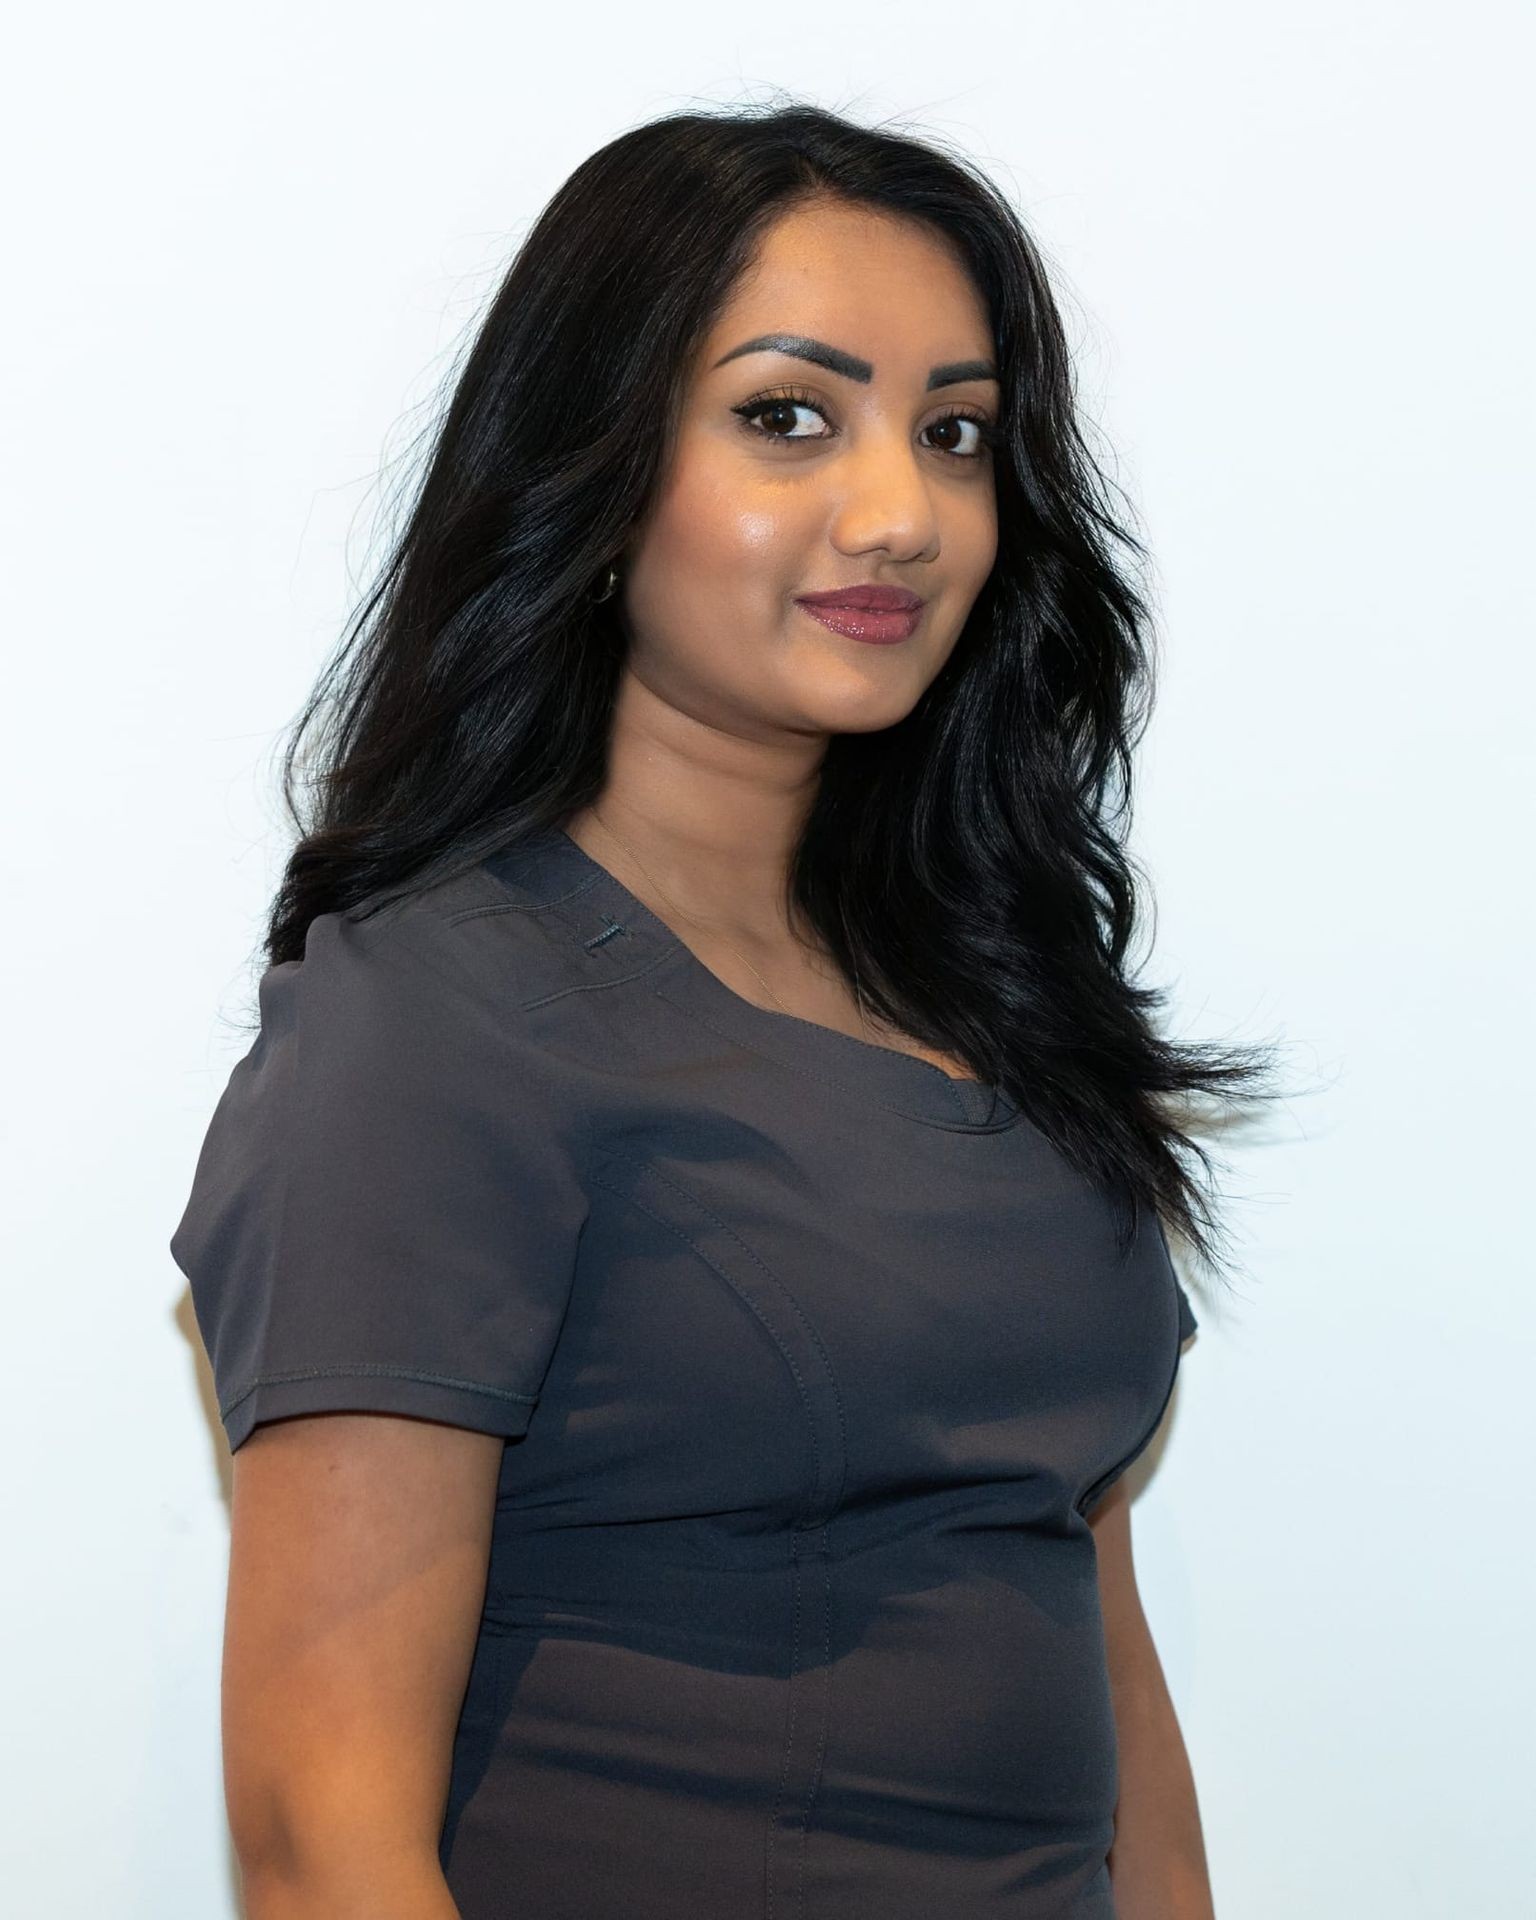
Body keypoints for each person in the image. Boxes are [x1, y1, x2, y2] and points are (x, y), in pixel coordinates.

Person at [170, 98, 1268, 1919]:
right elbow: (319, 1831)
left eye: (955, 433)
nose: (900, 511)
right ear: (595, 474)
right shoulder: (434, 1022)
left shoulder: (1000, 999)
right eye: (787, 418)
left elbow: (1099, 1652)